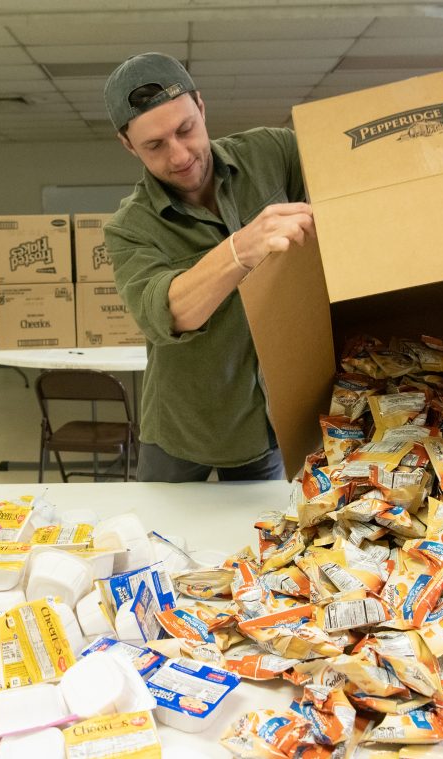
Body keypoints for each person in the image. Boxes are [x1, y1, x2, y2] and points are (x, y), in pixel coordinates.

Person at [102, 52, 315, 483]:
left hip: (270, 421)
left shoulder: (273, 152)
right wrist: (239, 250)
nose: (179, 155)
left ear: (201, 106)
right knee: (160, 539)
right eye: (154, 145)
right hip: (182, 427)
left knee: (262, 542)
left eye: (185, 129)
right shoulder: (129, 227)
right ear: (127, 145)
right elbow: (164, 314)